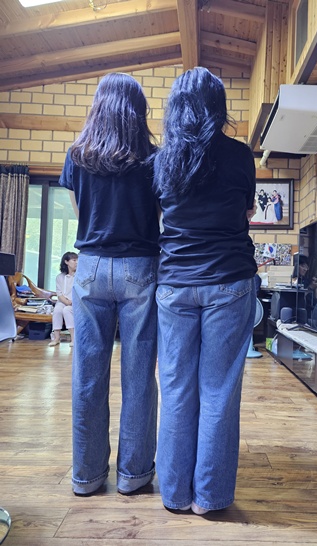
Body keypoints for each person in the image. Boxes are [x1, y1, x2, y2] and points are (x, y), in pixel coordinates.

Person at [153, 67, 257, 515]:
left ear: (176, 108)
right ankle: (209, 498)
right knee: (218, 391)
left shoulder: (162, 159)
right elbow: (247, 212)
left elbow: (160, 215)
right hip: (230, 281)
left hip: (175, 284)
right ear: (219, 106)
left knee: (176, 390)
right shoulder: (240, 154)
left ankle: (175, 494)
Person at [59, 72, 160, 496]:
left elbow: (80, 213)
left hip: (91, 267)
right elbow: (159, 215)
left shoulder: (77, 155)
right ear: (139, 111)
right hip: (140, 267)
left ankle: (86, 477)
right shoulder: (153, 158)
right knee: (139, 376)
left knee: (87, 375)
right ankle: (133, 475)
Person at [49, 251, 78, 347]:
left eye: (77, 260)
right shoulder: (60, 277)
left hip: (75, 302)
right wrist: (66, 301)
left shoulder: (79, 276)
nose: (76, 262)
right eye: (74, 260)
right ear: (66, 262)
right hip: (63, 301)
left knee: (66, 310)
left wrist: (71, 302)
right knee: (57, 310)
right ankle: (56, 338)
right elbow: (59, 294)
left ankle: (73, 339)